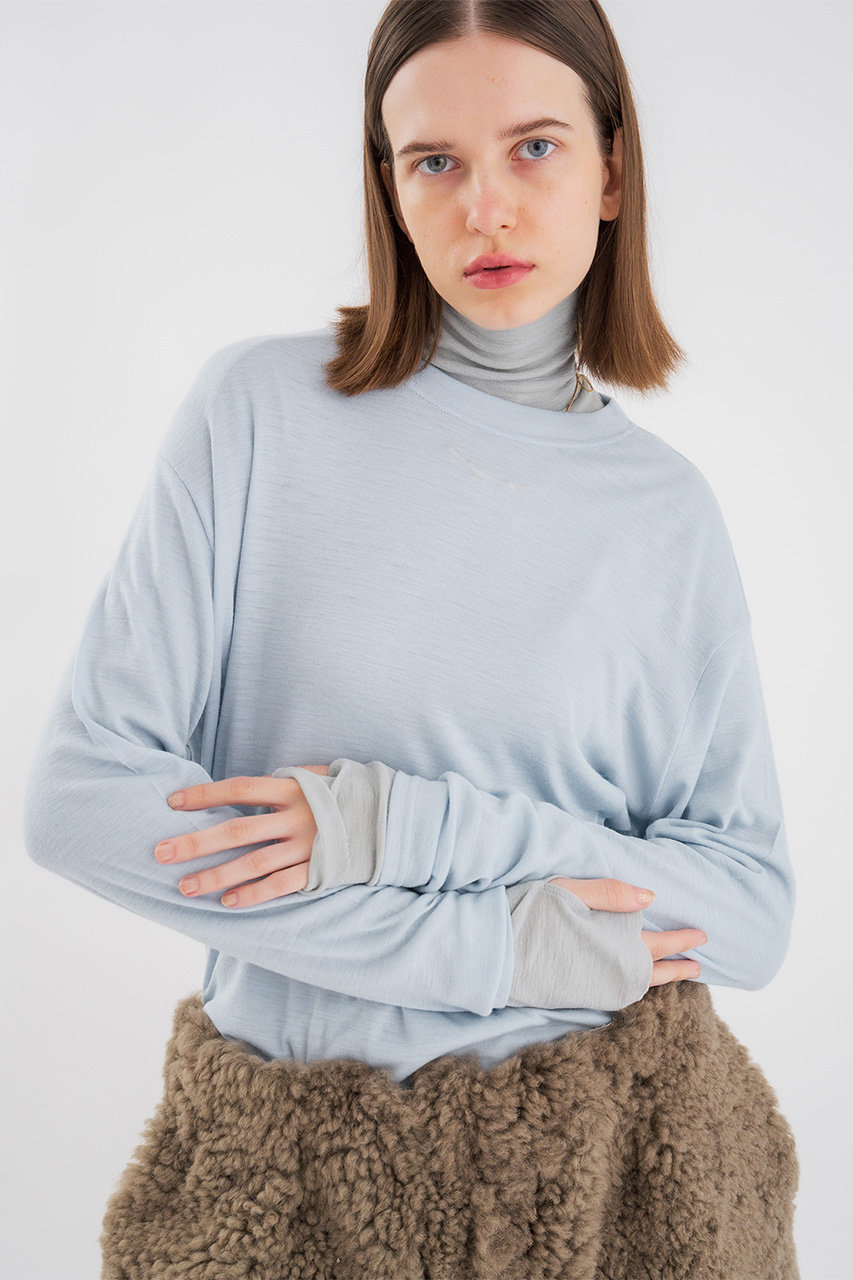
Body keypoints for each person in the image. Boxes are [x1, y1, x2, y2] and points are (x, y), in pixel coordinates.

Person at [23, 1, 800, 1276]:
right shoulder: (259, 412)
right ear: (388, 186)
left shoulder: (666, 515)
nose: (484, 207)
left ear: (613, 169)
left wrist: (392, 826)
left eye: (535, 147)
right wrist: (491, 949)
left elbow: (748, 911)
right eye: (434, 161)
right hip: (288, 1181)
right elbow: (81, 805)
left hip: (612, 1181)